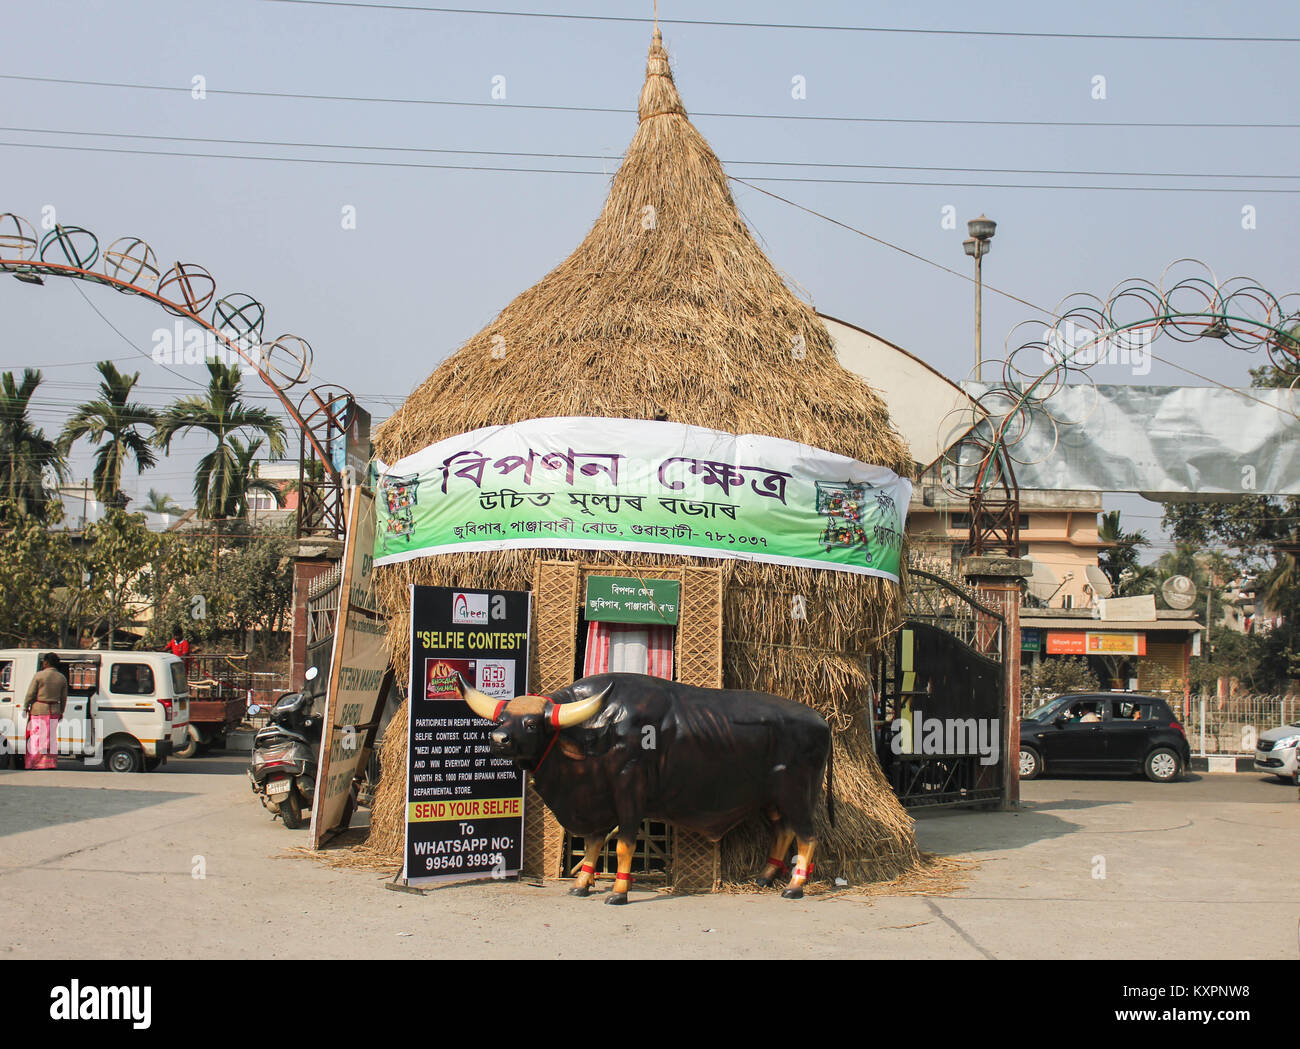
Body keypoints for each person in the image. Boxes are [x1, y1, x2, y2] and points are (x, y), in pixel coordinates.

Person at [23, 652, 67, 770]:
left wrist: (25, 706)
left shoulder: (39, 675)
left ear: (46, 662)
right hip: (54, 711)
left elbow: (30, 694)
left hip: (39, 710)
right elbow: (63, 698)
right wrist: (61, 711)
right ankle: (49, 763)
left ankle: (34, 762)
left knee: (36, 737)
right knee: (50, 737)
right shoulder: (62, 678)